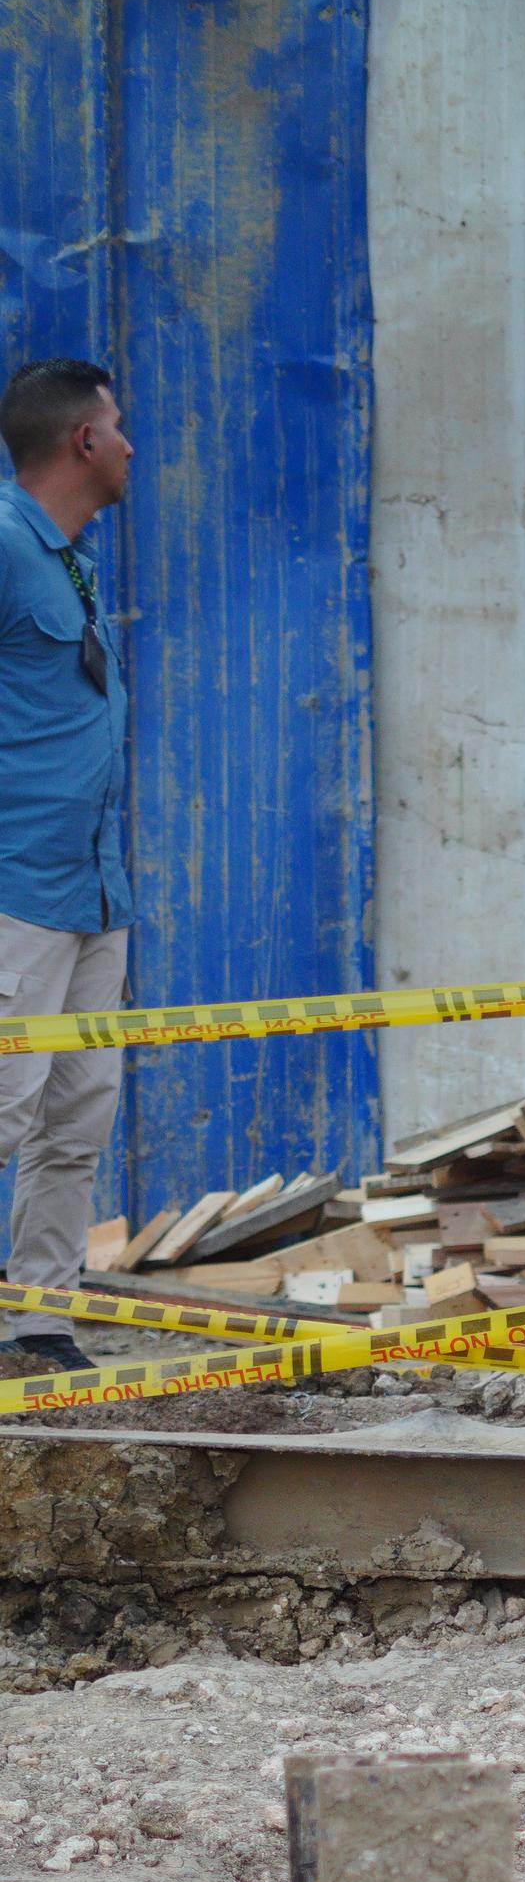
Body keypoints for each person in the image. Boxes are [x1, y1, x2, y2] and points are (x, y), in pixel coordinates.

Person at [0, 359, 133, 1373]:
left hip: (91, 890)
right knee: (3, 1112)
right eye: (118, 428)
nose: (131, 446)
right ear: (82, 442)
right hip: (16, 887)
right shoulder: (5, 546)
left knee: (75, 1117)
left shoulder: (65, 559)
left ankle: (39, 1324)